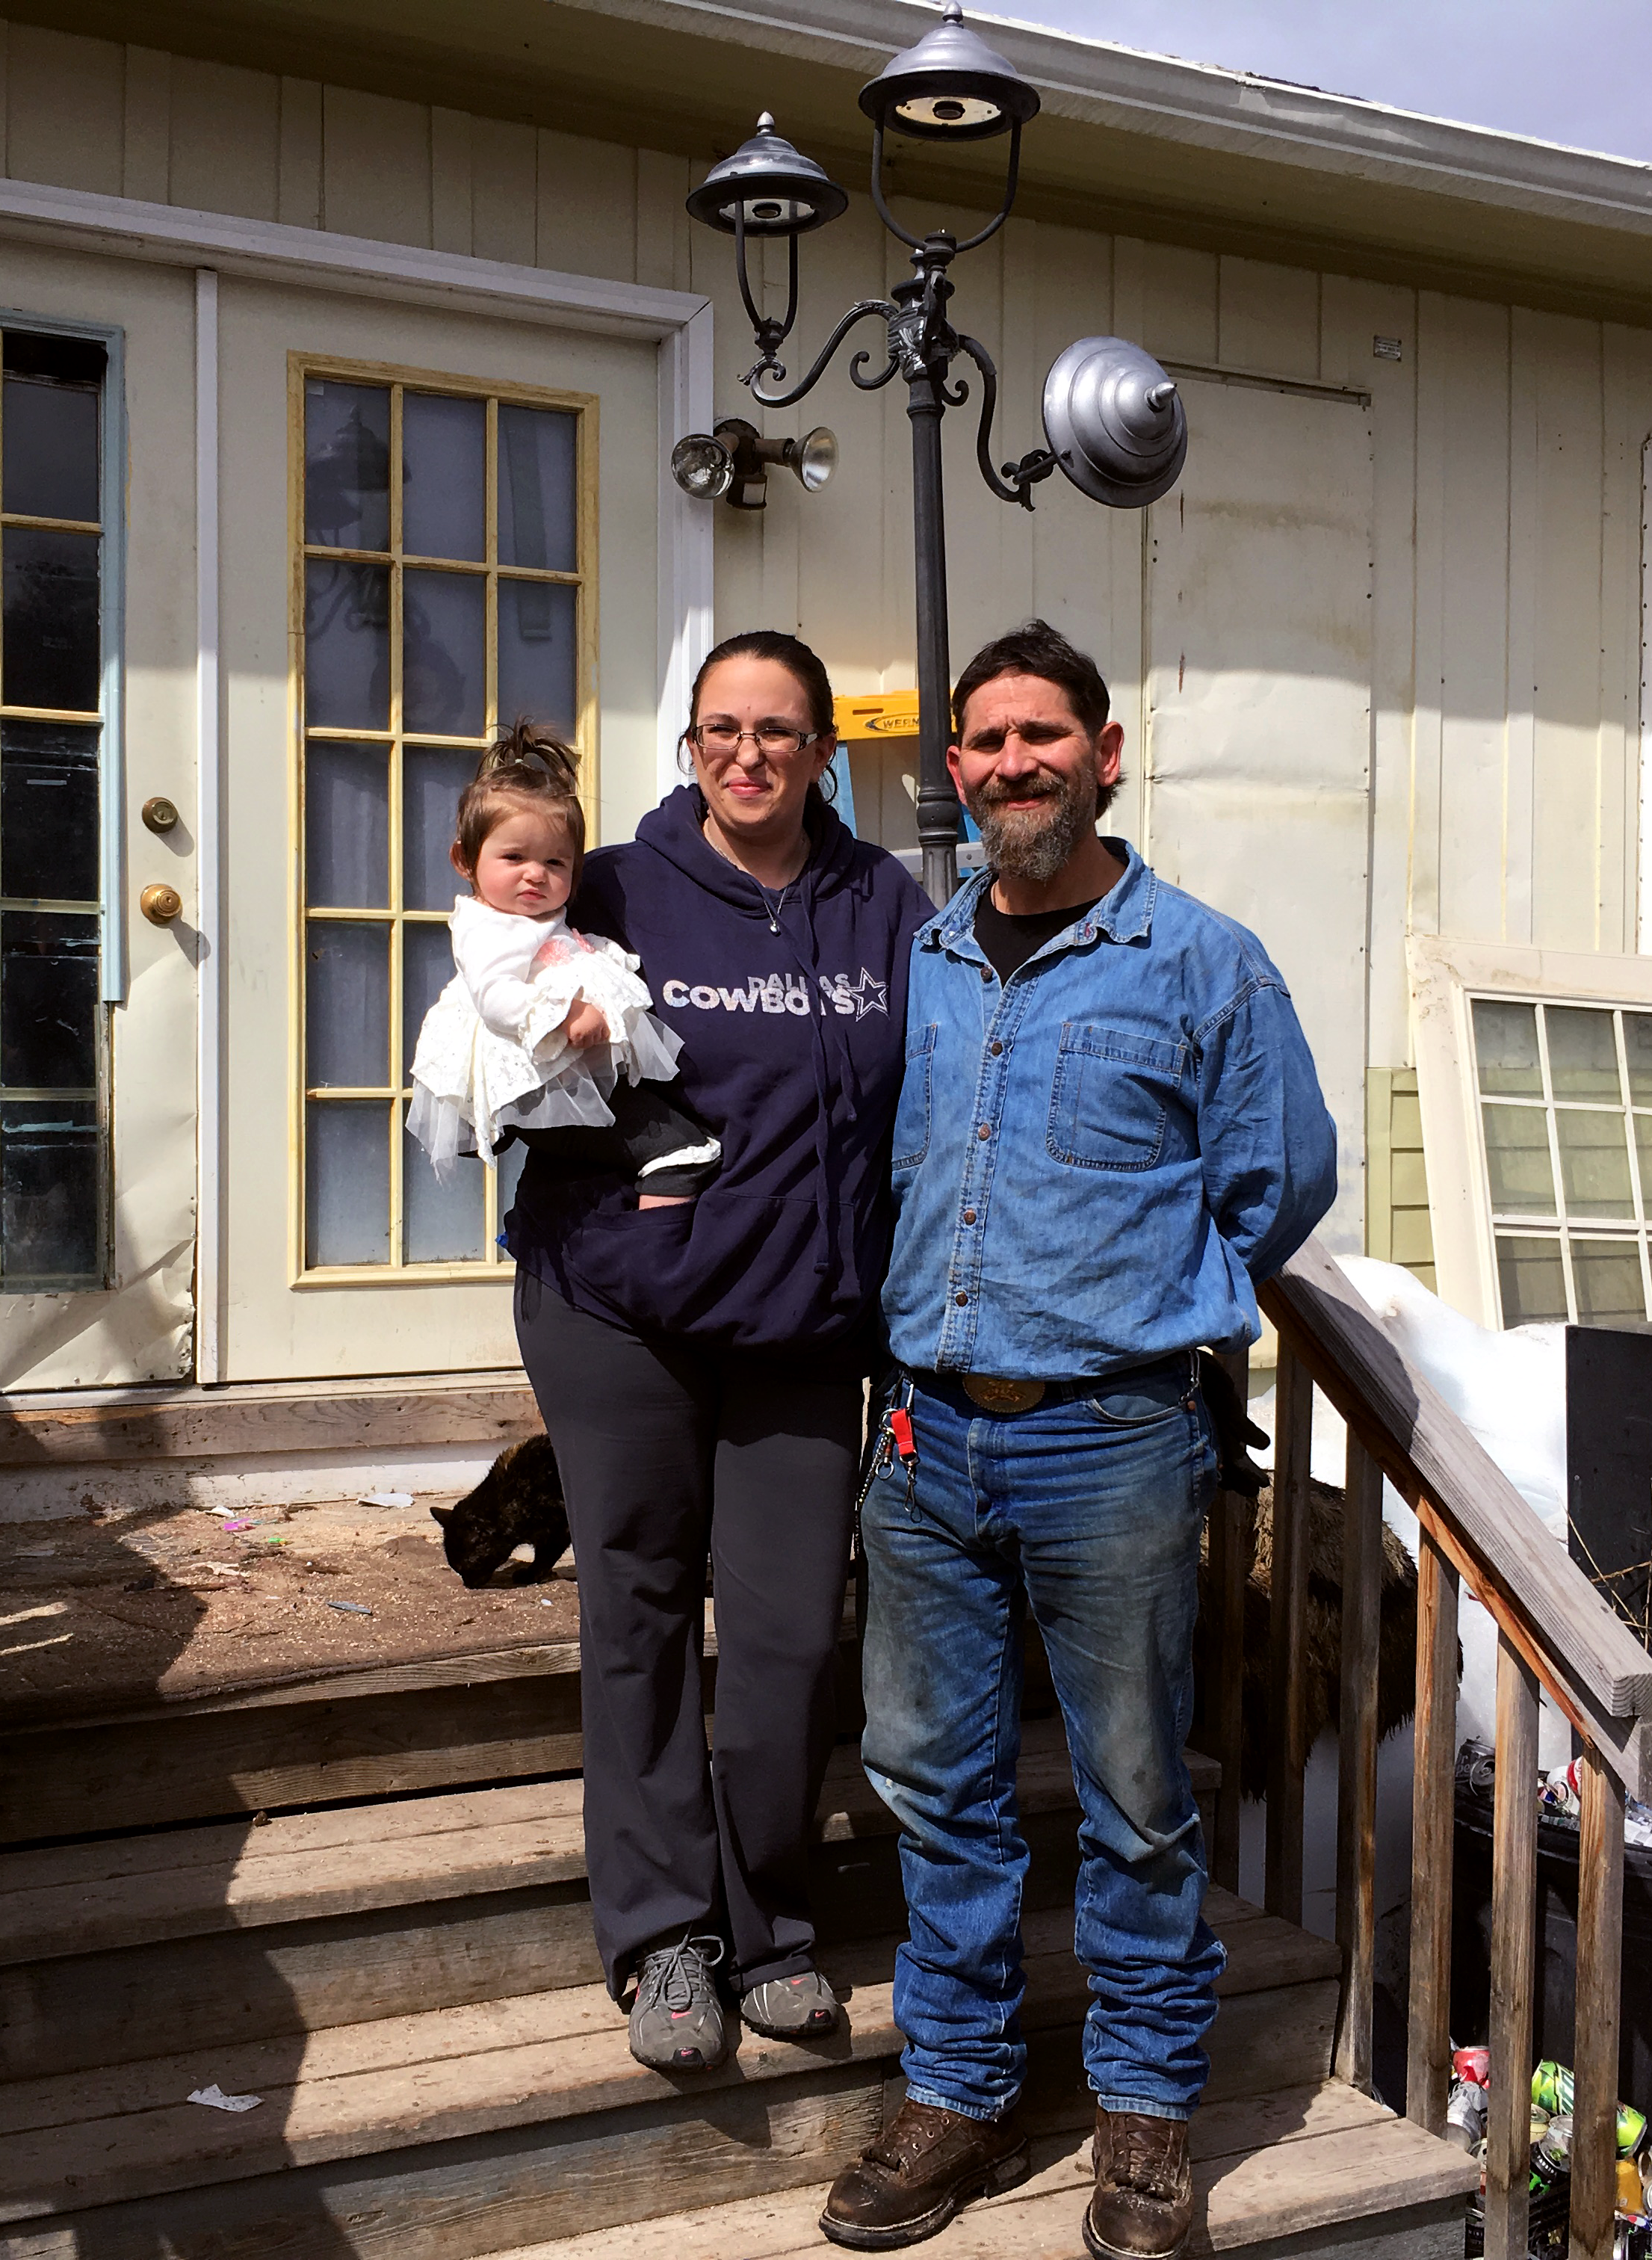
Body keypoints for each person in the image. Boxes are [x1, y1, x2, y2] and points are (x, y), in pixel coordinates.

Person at [820, 621, 1335, 2257]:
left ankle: (1142, 2118)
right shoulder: (928, 958)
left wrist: (1153, 1309)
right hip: (923, 1441)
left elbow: (1279, 1182)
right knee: (935, 1784)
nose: (1008, 766)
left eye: (1042, 737)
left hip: (1110, 1441)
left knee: (1131, 1795)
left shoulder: (1203, 962)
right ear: (952, 770)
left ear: (1109, 756)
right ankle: (960, 2095)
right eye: (982, 744)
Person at [503, 629, 931, 2072]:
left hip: (805, 1323)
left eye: (777, 730)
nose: (746, 754)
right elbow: (489, 1010)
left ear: (821, 749)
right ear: (690, 744)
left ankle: (768, 1919)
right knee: (634, 1609)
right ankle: (664, 1936)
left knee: (787, 1640)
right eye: (719, 729)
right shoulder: (614, 890)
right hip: (619, 1308)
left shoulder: (881, 901)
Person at [406, 726, 723, 1203]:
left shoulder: (535, 920)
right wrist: (566, 1014)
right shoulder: (490, 927)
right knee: (678, 1155)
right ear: (464, 860)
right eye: (514, 857)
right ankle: (659, 1247)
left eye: (556, 862)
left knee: (662, 1148)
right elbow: (494, 997)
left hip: (556, 1075)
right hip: (538, 1080)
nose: (536, 873)